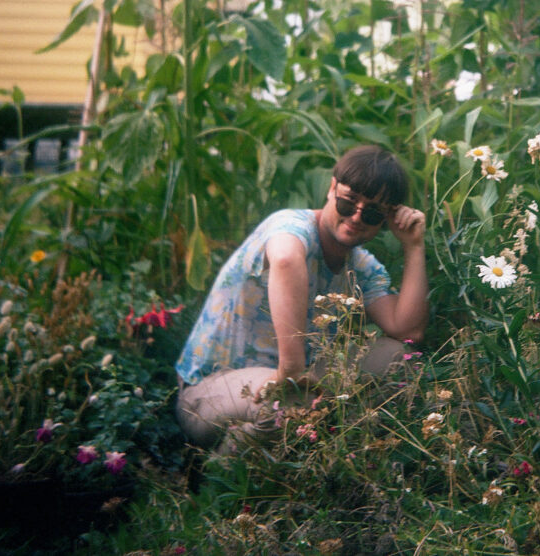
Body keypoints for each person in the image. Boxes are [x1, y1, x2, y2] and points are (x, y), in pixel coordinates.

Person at [175, 145, 428, 449]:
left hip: (294, 386)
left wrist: (414, 247)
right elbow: (285, 258)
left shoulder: (359, 266)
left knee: (402, 358)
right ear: (332, 189)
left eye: (373, 213)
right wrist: (292, 370)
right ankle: (221, 477)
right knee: (289, 403)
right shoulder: (292, 226)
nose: (358, 217)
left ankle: (304, 450)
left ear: (386, 220)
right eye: (349, 203)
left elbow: (408, 330)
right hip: (208, 390)